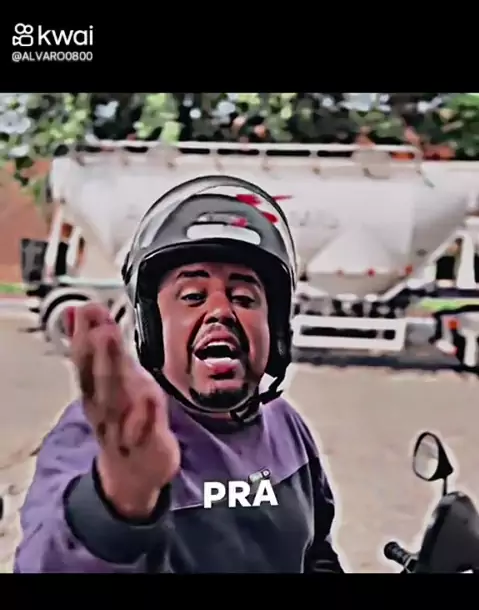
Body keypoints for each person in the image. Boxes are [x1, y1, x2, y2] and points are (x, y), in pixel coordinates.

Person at [14, 175, 344, 573]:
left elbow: (316, 553)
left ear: (275, 330)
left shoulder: (287, 428)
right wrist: (120, 495)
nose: (220, 311)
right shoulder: (108, 434)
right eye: (192, 296)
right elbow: (44, 561)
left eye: (244, 298)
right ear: (152, 328)